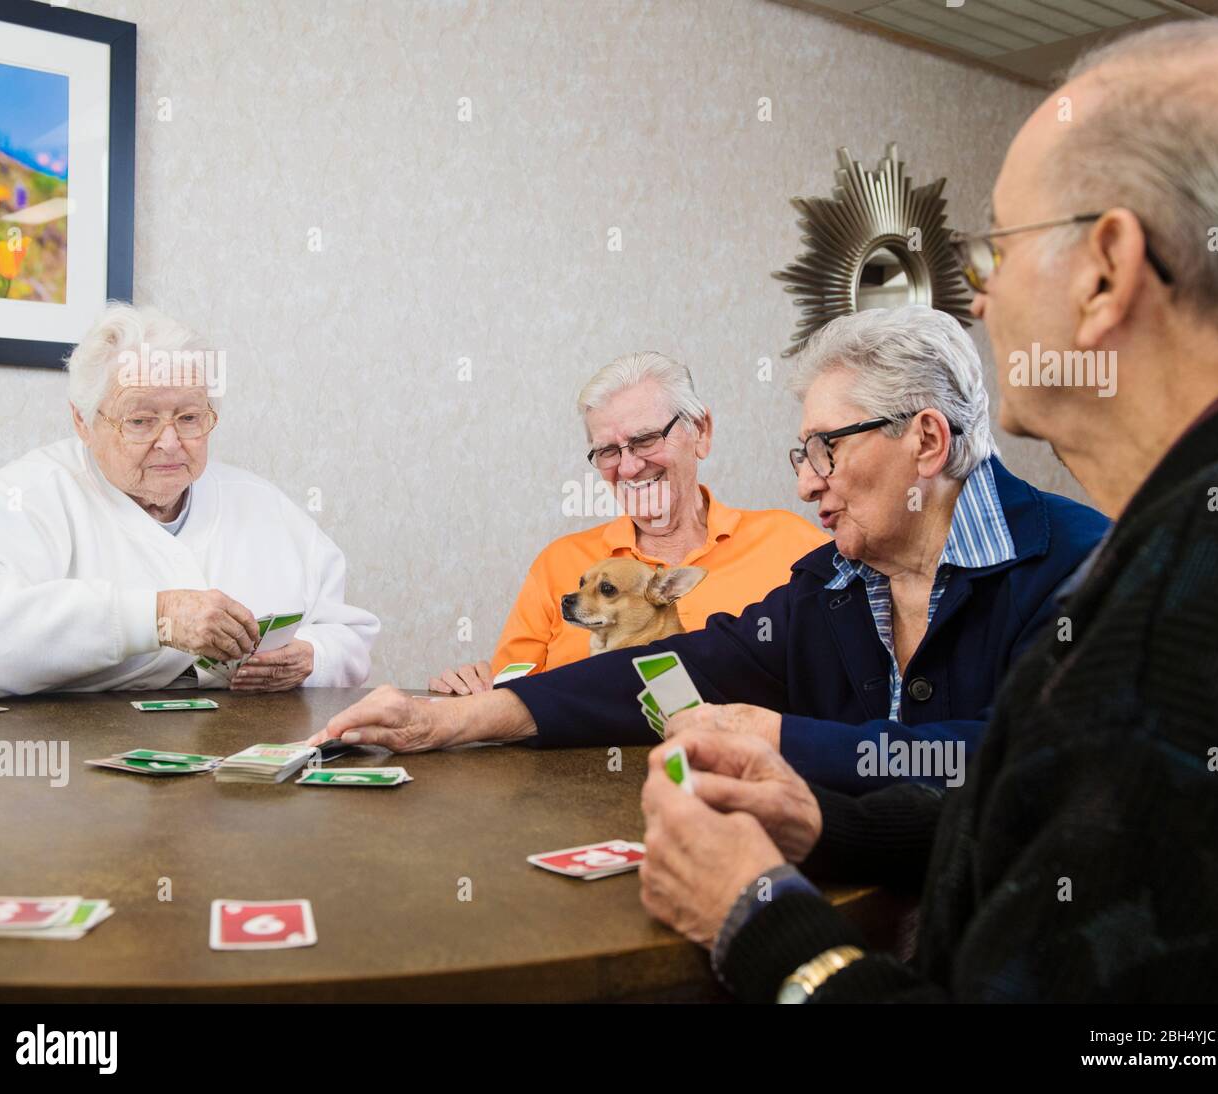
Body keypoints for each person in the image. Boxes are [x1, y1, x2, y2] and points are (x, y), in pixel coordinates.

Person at [638, 19, 1218, 1002]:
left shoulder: (1186, 598)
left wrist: (755, 912)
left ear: (1105, 268)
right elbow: (1058, 815)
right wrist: (830, 823)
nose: (979, 303)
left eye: (997, 254)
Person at [312, 306, 1107, 793]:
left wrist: (778, 738)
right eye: (804, 456)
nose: (808, 484)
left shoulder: (1082, 565)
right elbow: (665, 672)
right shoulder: (832, 584)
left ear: (926, 439)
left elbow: (1023, 760)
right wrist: (445, 722)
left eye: (826, 450)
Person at [0, 303, 378, 698]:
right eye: (141, 421)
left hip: (238, 748)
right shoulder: (27, 496)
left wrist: (314, 657)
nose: (170, 443)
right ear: (83, 421)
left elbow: (348, 636)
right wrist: (155, 616)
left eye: (189, 418)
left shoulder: (262, 503)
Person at [428, 350, 826, 693]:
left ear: (700, 432)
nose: (630, 467)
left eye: (646, 440)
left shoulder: (793, 545)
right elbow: (512, 694)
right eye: (607, 451)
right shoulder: (559, 563)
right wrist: (474, 687)